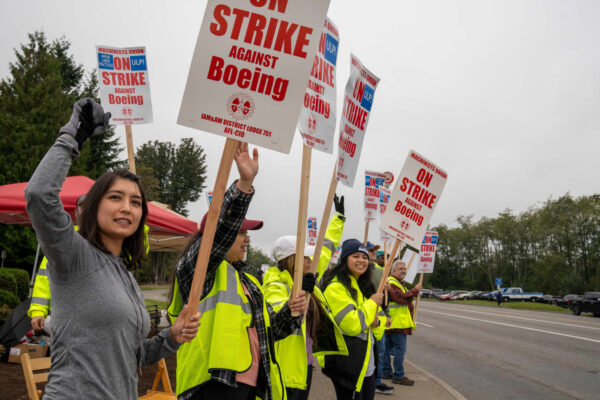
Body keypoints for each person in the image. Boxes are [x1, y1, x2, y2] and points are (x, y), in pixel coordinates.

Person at [24, 98, 200, 400]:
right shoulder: (74, 255)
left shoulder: (126, 275)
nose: (127, 208)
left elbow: (131, 355)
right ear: (94, 206)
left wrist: (171, 337)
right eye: (115, 197)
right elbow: (39, 196)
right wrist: (71, 137)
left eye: (135, 202)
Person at [167, 142, 308, 400]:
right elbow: (219, 235)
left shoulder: (247, 279)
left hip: (247, 387)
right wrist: (243, 185)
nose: (246, 239)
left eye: (247, 233)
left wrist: (291, 311)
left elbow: (268, 333)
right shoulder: (199, 268)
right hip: (211, 385)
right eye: (241, 232)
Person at [262, 196, 347, 400]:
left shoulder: (306, 276)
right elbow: (278, 316)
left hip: (305, 363)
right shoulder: (275, 285)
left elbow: (325, 248)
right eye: (305, 257)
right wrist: (299, 293)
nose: (311, 261)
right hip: (284, 368)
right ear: (291, 260)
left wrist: (339, 218)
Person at [319, 239, 386, 400]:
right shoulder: (336, 287)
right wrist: (371, 305)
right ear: (345, 259)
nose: (361, 261)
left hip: (366, 363)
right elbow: (352, 324)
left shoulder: (364, 286)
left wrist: (375, 322)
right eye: (356, 256)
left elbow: (380, 323)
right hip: (346, 363)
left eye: (364, 257)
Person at [28, 194, 86, 333]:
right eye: (83, 208)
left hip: (101, 320)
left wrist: (140, 225)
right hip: (65, 319)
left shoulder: (111, 239)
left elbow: (136, 255)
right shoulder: (62, 240)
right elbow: (44, 277)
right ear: (76, 212)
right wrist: (38, 311)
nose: (87, 212)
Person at [381, 260, 421, 386]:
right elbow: (402, 298)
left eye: (404, 268)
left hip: (392, 322)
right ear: (393, 271)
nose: (404, 270)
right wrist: (415, 290)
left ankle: (386, 371)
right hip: (397, 322)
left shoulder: (396, 282)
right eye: (401, 269)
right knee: (399, 350)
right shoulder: (392, 282)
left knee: (387, 349)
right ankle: (398, 375)